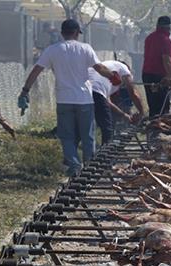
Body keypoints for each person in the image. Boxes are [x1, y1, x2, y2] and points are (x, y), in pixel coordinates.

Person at [18, 19, 123, 176]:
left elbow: (36, 71)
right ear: (76, 33)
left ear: (62, 33)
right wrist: (112, 76)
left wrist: (25, 91)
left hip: (64, 100)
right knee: (87, 135)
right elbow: (99, 68)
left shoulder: (52, 50)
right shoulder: (85, 48)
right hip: (84, 100)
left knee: (67, 136)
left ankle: (74, 166)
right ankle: (89, 165)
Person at [89, 60, 146, 145]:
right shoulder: (124, 69)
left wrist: (124, 115)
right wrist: (142, 112)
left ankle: (88, 154)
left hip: (83, 93)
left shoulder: (107, 67)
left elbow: (107, 102)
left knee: (86, 128)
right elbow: (133, 93)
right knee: (107, 128)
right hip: (95, 92)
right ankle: (106, 155)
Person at [142, 16, 171, 118]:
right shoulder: (165, 40)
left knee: (153, 106)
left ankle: (153, 128)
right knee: (162, 108)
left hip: (147, 75)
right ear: (168, 27)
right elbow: (166, 60)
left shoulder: (149, 38)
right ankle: (161, 130)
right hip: (160, 77)